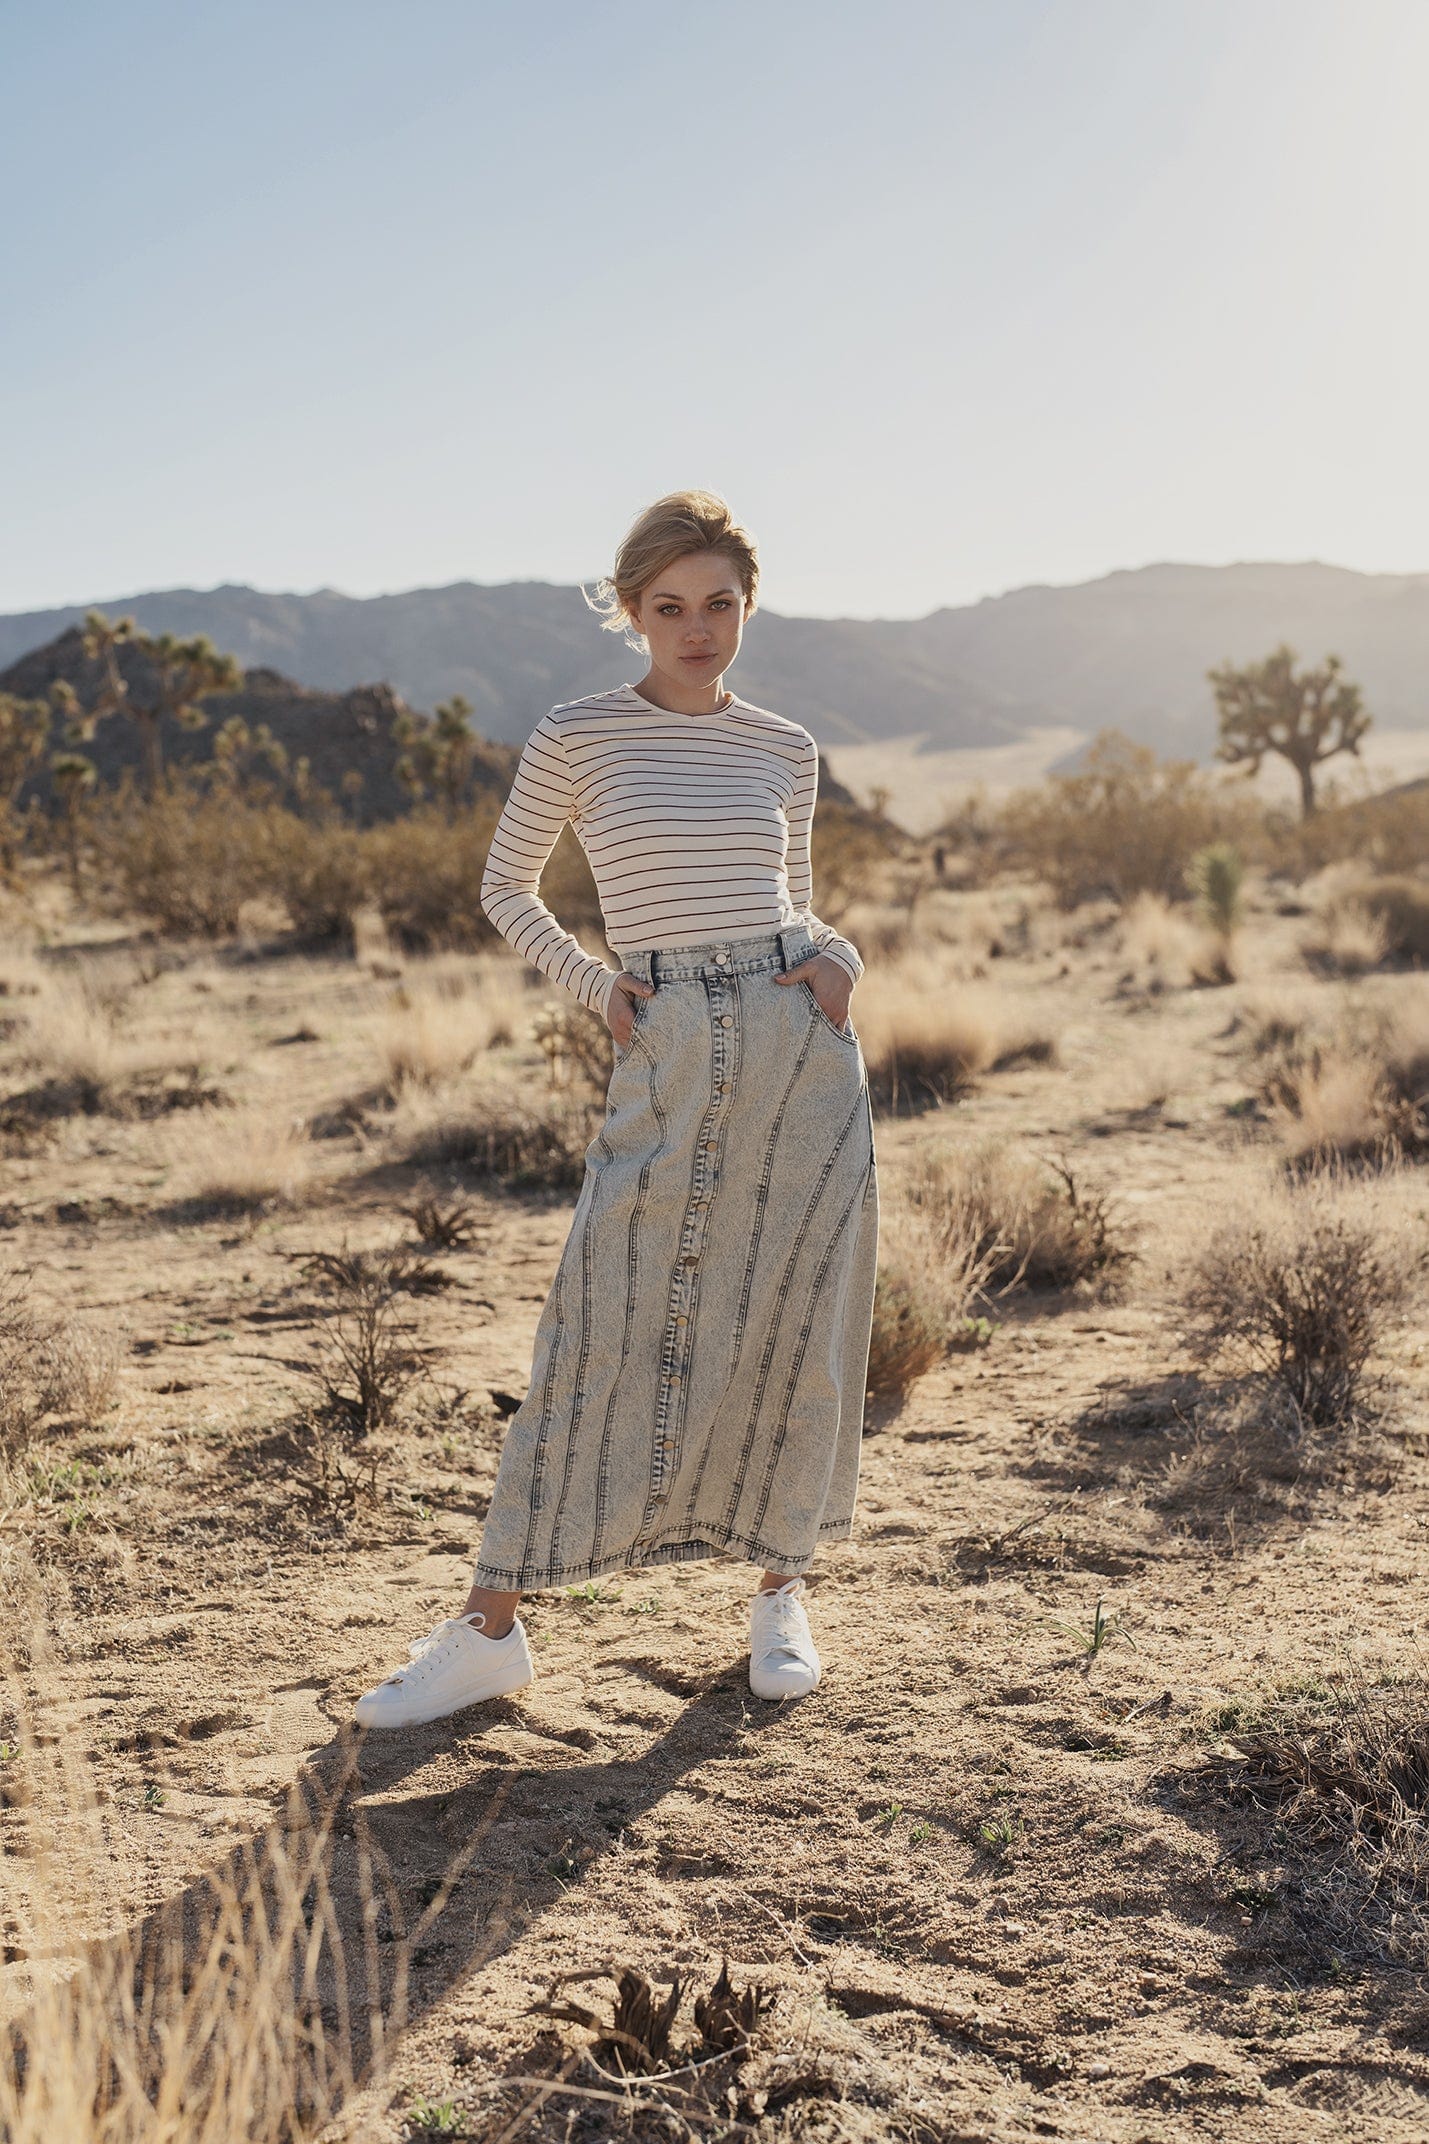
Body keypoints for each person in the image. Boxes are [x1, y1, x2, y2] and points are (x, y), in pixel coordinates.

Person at [353, 489, 879, 1730]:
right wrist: (600, 988)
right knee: (598, 1320)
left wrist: (839, 953)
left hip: (800, 1052)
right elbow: (505, 884)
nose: (696, 629)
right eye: (669, 606)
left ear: (746, 607)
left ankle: (779, 1592)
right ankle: (491, 1627)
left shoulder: (783, 746)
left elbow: (791, 898)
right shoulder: (579, 733)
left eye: (719, 605)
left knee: (796, 1310)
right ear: (631, 610)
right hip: (670, 1038)